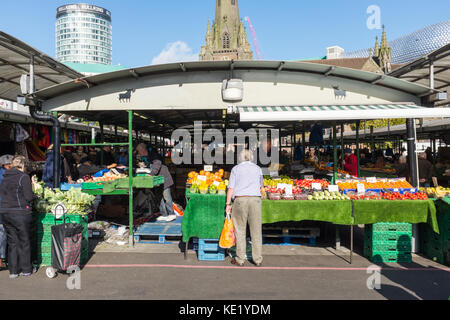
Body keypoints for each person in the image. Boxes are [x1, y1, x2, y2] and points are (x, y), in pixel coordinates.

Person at [226, 149, 264, 267]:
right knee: (256, 231)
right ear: (251, 158)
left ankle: (240, 259)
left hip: (240, 200)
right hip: (255, 200)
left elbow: (231, 188)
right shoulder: (258, 169)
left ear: (240, 158)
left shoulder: (236, 169)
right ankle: (257, 259)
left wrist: (228, 204)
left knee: (240, 230)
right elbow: (261, 186)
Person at [0, 156, 34, 278]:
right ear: (23, 166)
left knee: (12, 242)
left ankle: (13, 271)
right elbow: (29, 197)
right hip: (20, 213)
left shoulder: (5, 178)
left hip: (5, 213)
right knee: (24, 241)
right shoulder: (23, 177)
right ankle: (26, 269)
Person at [136, 144, 175, 221]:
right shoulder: (148, 156)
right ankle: (164, 214)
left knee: (167, 197)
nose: (138, 153)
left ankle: (171, 214)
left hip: (164, 179)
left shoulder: (154, 155)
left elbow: (157, 164)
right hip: (157, 180)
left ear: (142, 150)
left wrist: (151, 174)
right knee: (159, 197)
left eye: (139, 151)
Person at [0, 155, 14, 270]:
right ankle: (2, 259)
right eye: (10, 165)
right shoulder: (5, 176)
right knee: (3, 232)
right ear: (5, 165)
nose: (12, 166)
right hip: (4, 207)